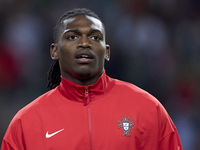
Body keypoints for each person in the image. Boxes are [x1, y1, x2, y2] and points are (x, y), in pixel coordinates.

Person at [1, 8, 182, 150]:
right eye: (73, 37)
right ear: (55, 51)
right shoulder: (27, 122)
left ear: (107, 52)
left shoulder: (148, 109)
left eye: (95, 37)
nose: (85, 43)